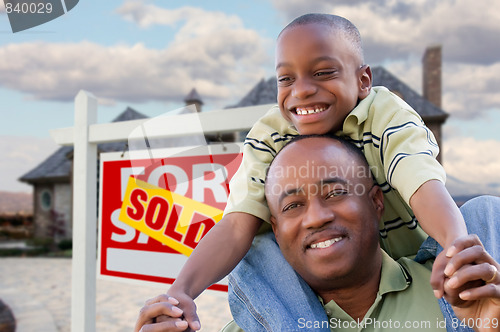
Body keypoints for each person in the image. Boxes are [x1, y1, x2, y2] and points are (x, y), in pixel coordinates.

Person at [162, 13, 469, 330]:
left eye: (322, 73)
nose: (303, 90)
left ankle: (465, 306)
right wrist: (180, 293)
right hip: (315, 275)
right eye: (286, 79)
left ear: (363, 80)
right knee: (258, 244)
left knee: (480, 213)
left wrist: (455, 245)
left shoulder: (386, 113)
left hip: (415, 260)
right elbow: (237, 224)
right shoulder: (270, 134)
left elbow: (421, 182)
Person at [134, 135, 500, 332]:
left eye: (336, 193)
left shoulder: (467, 297)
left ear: (376, 202)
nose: (316, 217)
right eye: (292, 206)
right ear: (274, 231)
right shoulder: (255, 325)